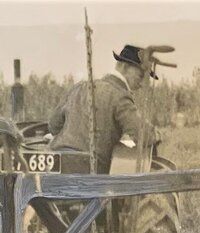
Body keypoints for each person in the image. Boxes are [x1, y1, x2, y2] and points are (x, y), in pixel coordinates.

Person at [48, 44, 156, 174]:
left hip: (55, 163)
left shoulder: (79, 87)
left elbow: (53, 126)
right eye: (140, 75)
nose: (142, 83)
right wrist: (155, 134)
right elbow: (143, 135)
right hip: (90, 171)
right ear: (125, 67)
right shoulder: (120, 96)